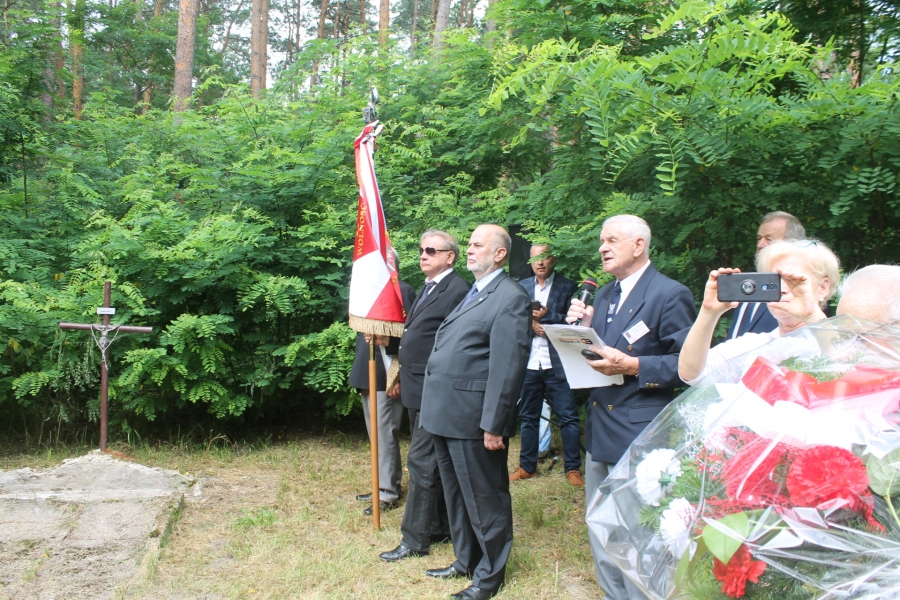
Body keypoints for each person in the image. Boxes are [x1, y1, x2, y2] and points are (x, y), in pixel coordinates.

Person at [565, 214, 696, 600]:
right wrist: (580, 333)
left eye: (612, 240)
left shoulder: (669, 293)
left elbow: (688, 366)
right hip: (600, 428)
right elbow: (604, 353)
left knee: (639, 534)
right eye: (601, 241)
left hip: (641, 432)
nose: (602, 248)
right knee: (602, 526)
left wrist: (635, 366)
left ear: (639, 245)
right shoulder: (605, 295)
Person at [419, 224, 531, 600]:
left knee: (485, 498)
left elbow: (507, 367)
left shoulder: (510, 297)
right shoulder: (477, 291)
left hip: (474, 418)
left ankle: (489, 576)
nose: (468, 250)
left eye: (477, 245)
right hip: (446, 413)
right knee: (456, 495)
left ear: (499, 254)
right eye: (468, 244)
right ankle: (466, 559)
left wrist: (494, 424)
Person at [379, 230, 471, 563]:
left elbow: (454, 344)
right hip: (417, 387)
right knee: (436, 462)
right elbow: (416, 334)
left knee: (422, 462)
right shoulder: (430, 286)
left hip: (436, 390)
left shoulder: (457, 290)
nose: (423, 255)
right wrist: (391, 347)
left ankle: (414, 539)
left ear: (450, 256)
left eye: (431, 250)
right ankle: (439, 526)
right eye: (421, 249)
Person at [678, 238, 840, 385]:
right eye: (774, 282)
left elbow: (847, 366)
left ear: (823, 287)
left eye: (794, 280)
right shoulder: (753, 344)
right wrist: (708, 312)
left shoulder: (840, 339)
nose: (782, 289)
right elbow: (691, 374)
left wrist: (812, 315)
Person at [348, 261, 416, 516]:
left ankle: (387, 491)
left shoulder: (402, 291)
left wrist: (397, 376)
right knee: (376, 435)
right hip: (369, 372)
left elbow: (409, 335)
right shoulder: (370, 292)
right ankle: (381, 485)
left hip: (388, 373)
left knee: (384, 434)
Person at [511, 244, 582, 486]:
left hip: (557, 362)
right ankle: (527, 467)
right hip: (530, 362)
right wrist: (530, 326)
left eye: (545, 257)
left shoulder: (568, 286)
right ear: (530, 261)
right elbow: (512, 320)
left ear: (553, 259)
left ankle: (573, 469)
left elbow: (575, 323)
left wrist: (549, 319)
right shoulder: (521, 287)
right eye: (535, 258)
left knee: (568, 417)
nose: (540, 263)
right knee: (528, 417)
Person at [726, 211, 807, 339]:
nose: (760, 245)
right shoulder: (748, 285)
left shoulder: (800, 290)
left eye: (769, 239)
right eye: (759, 239)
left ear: (792, 243)